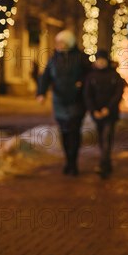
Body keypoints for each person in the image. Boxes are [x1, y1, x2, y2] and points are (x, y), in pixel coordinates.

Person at [37, 29, 91, 176]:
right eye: (57, 42)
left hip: (76, 101)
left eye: (61, 42)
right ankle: (68, 159)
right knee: (64, 132)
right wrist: (41, 93)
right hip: (59, 101)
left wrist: (81, 84)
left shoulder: (80, 58)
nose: (58, 45)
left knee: (74, 131)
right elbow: (45, 76)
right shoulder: (53, 59)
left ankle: (73, 162)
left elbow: (90, 75)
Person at [83, 49, 126, 179]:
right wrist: (94, 110)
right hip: (97, 114)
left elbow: (118, 94)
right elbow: (87, 95)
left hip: (110, 114)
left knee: (107, 137)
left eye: (103, 60)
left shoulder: (114, 76)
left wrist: (108, 108)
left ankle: (103, 164)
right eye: (99, 60)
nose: (101, 63)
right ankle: (106, 162)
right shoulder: (91, 77)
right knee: (102, 139)